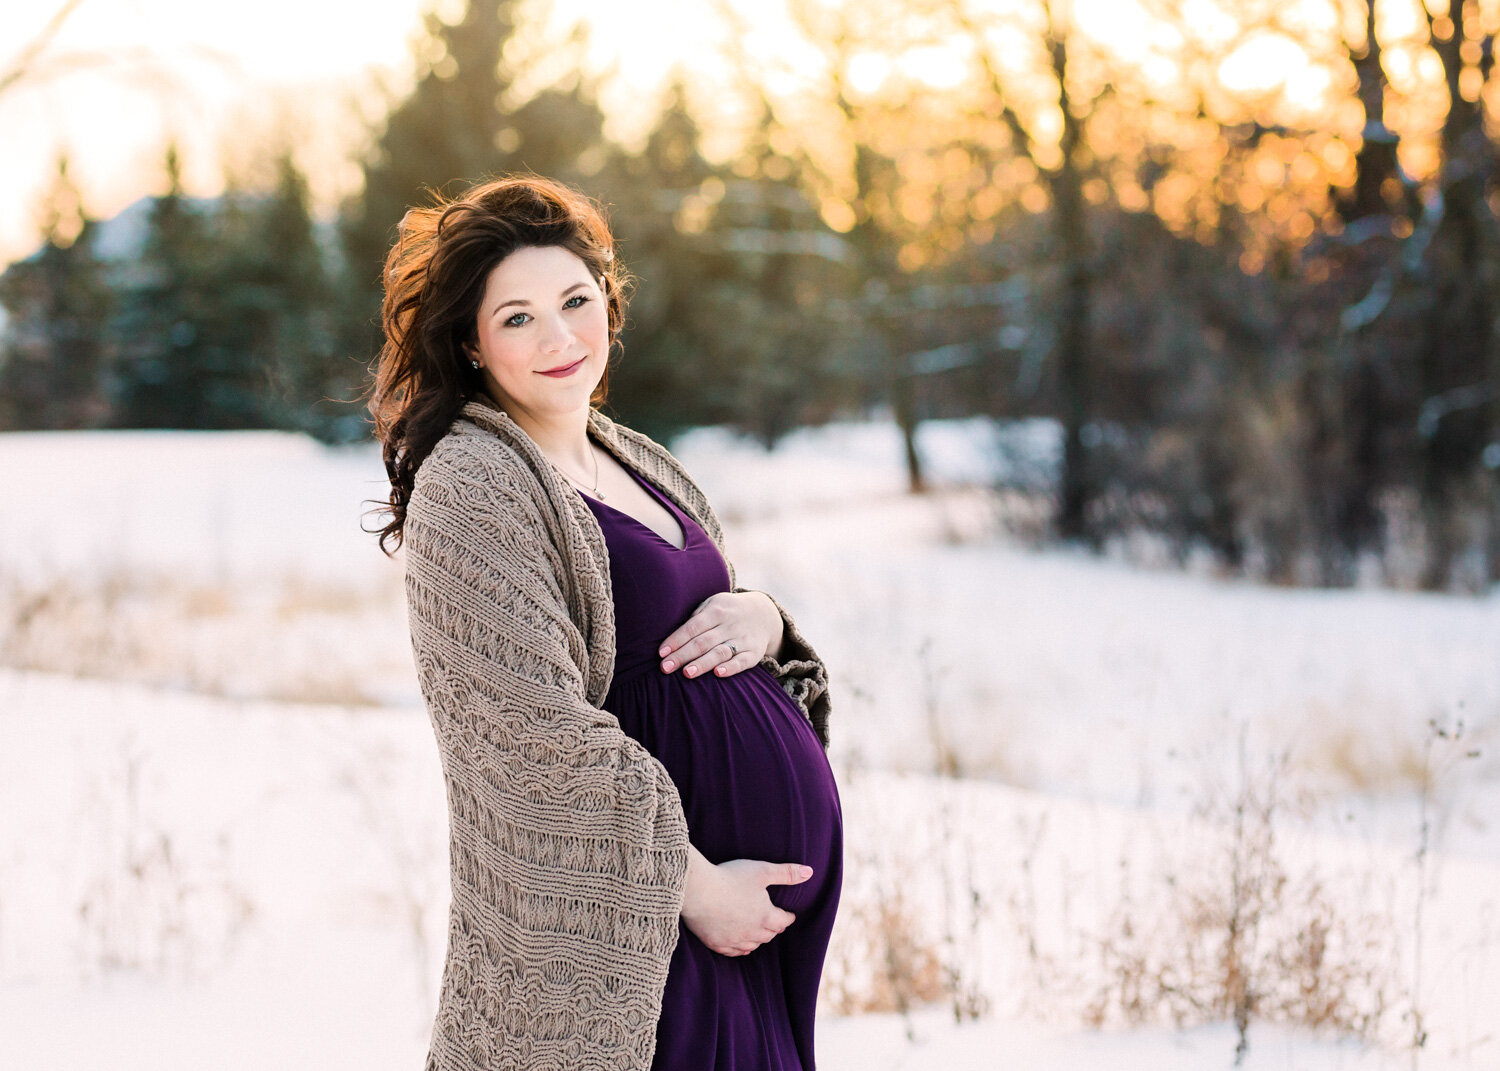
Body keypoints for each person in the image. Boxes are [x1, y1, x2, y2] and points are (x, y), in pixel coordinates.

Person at [367, 173, 843, 1071]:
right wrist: (692, 885)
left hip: (737, 935)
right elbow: (526, 731)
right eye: (516, 317)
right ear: (470, 345)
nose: (558, 336)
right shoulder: (473, 485)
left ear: (609, 308)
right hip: (637, 936)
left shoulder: (635, 456)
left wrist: (768, 619)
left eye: (575, 301)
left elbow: (708, 637)